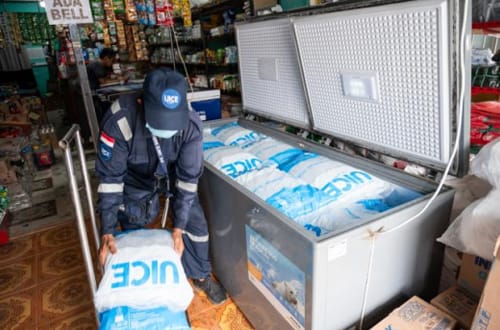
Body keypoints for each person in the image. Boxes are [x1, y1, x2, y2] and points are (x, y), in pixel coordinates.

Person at [95, 67, 227, 305]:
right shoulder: (120, 120)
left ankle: (199, 274)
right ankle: (138, 279)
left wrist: (179, 227)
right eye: (160, 123)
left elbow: (188, 179)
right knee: (135, 222)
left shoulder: (191, 123)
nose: (167, 132)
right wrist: (107, 230)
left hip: (172, 174)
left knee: (194, 223)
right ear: (141, 102)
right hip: (136, 178)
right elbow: (110, 180)